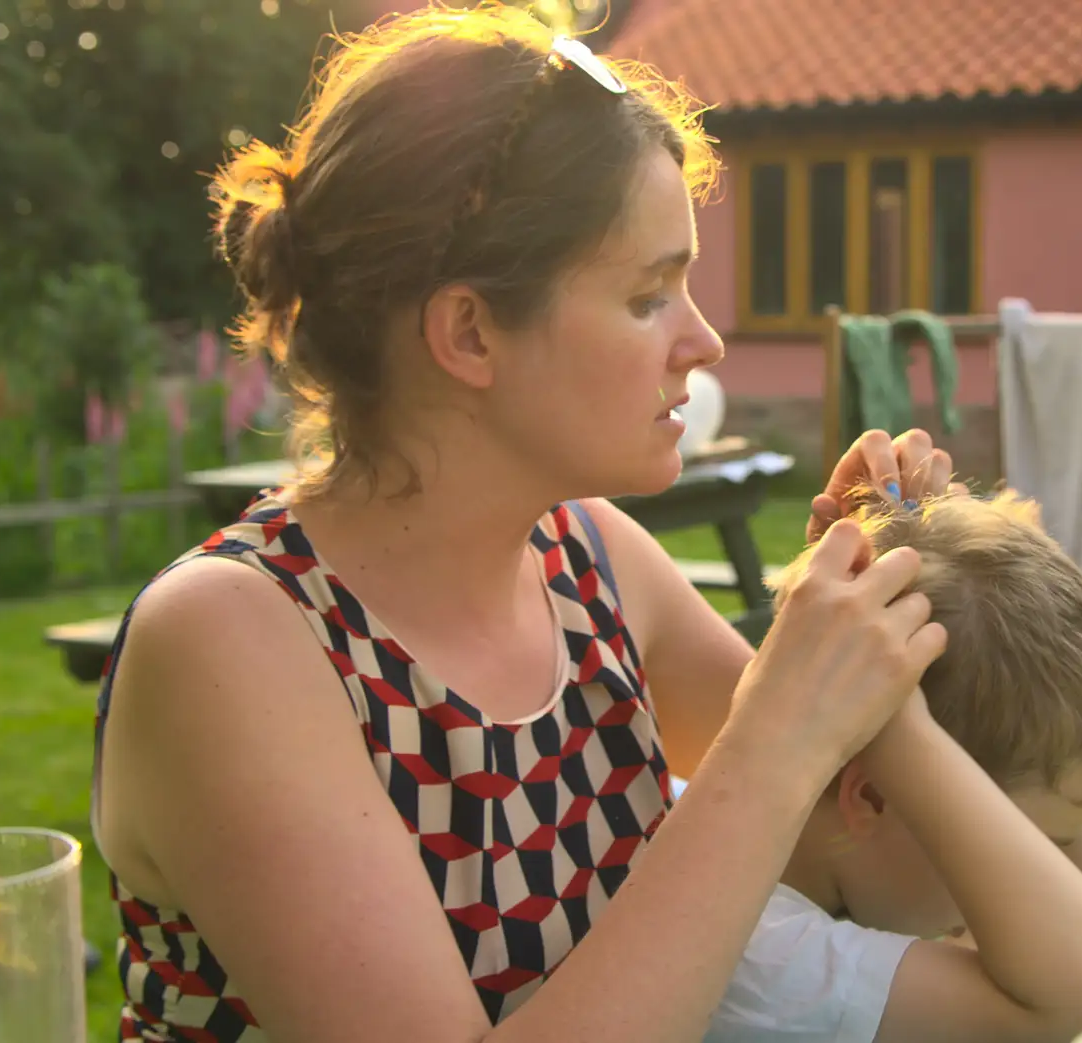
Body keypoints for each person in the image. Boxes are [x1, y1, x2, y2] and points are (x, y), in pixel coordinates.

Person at [90, 7, 954, 1042]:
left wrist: (901, 588)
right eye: (647, 295)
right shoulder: (232, 641)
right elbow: (776, 794)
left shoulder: (592, 563)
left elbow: (900, 866)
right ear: (468, 331)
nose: (706, 340)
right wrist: (775, 739)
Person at [704, 488, 1082, 1043]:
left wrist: (975, 554)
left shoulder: (832, 890)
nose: (1039, 873)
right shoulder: (758, 961)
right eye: (1014, 840)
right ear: (872, 796)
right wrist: (897, 729)